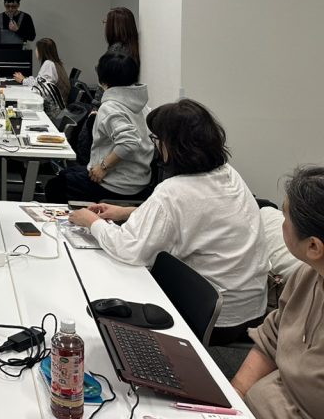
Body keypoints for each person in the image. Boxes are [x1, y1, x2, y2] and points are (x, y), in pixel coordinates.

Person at [68, 99, 267, 342]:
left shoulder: (173, 191)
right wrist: (128, 212)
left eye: (156, 139)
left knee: (105, 284)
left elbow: (130, 250)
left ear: (172, 145)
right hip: (251, 311)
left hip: (210, 316)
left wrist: (91, 221)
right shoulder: (228, 173)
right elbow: (192, 215)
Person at [232, 167, 324, 418]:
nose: (282, 225)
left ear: (313, 246)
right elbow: (272, 337)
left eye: (285, 218)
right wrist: (234, 396)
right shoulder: (307, 275)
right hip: (254, 406)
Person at [44, 52, 153, 203]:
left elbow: (129, 142)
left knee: (55, 186)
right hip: (139, 180)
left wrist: (103, 167)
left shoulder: (110, 107)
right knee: (66, 174)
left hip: (116, 184)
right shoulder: (142, 106)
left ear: (103, 80)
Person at [13, 37, 69, 104]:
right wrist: (24, 79)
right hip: (58, 103)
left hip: (53, 106)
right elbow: (40, 82)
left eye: (37, 49)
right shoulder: (56, 63)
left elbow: (42, 89)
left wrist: (23, 80)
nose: (36, 51)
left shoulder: (48, 64)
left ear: (41, 51)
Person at [104, 7, 140, 72]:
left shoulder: (116, 52)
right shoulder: (131, 48)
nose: (105, 25)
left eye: (106, 22)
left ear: (114, 27)